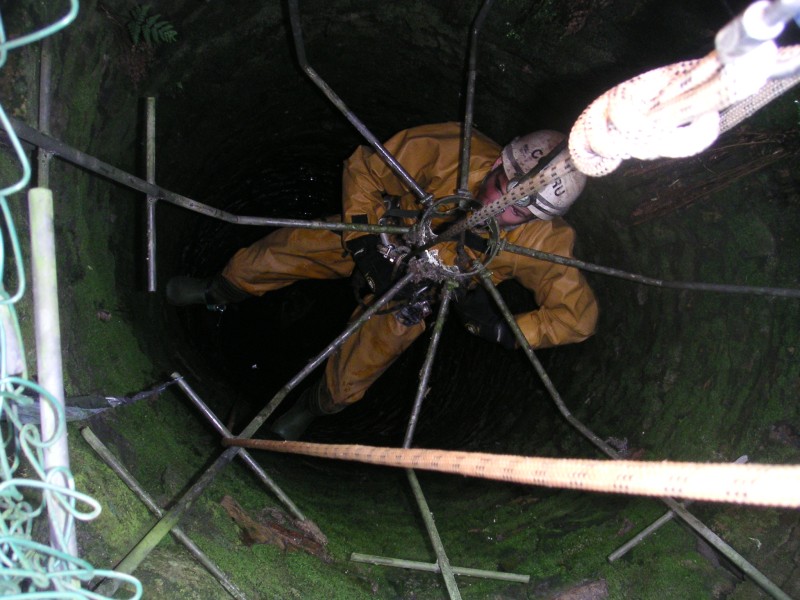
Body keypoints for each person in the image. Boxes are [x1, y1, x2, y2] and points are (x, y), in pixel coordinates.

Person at [167, 122, 599, 440]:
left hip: (421, 292)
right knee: (287, 248)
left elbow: (575, 320)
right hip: (382, 233)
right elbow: (368, 166)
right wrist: (362, 244)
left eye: (516, 211)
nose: (493, 205)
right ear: (501, 161)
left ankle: (311, 407)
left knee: (361, 367)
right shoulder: (455, 149)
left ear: (539, 217)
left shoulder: (546, 242)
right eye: (499, 184)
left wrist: (505, 328)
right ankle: (216, 291)